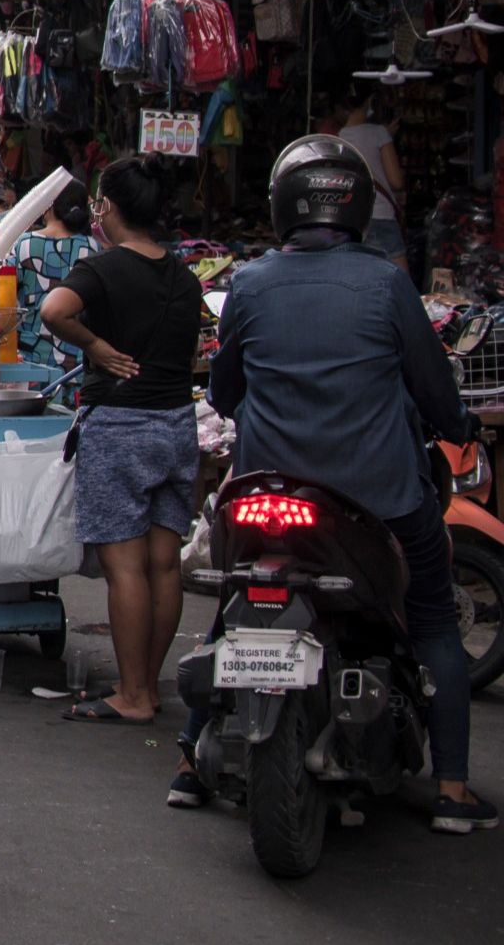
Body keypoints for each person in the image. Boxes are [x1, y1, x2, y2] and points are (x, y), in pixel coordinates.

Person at [191, 134, 491, 829]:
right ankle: (451, 790)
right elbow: (435, 391)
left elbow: (226, 393)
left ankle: (186, 758)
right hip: (379, 499)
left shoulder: (251, 283)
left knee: (238, 601)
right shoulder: (386, 283)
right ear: (356, 208)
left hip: (265, 492)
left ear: (282, 207)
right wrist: (460, 425)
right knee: (434, 618)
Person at [34, 157, 202, 724]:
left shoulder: (104, 268)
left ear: (107, 208)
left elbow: (54, 310)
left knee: (126, 568)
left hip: (121, 425)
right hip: (177, 425)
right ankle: (146, 685)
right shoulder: (184, 277)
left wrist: (96, 347)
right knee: (164, 565)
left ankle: (132, 695)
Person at [13, 181, 96, 376]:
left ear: (48, 206)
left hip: (30, 362)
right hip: (76, 363)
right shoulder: (92, 247)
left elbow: (5, 296)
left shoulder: (24, 244)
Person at [335, 91, 408, 265]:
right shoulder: (379, 133)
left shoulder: (339, 138)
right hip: (380, 214)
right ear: (369, 101)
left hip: (352, 218)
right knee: (400, 276)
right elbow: (396, 181)